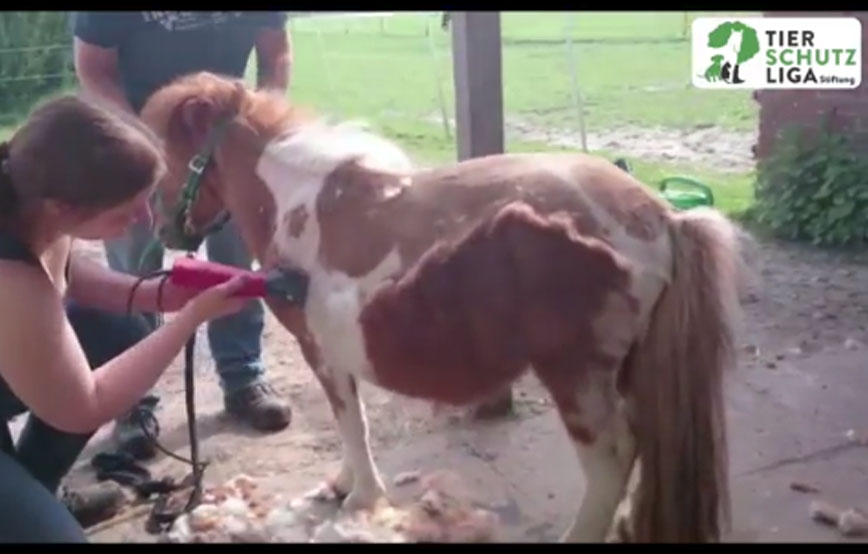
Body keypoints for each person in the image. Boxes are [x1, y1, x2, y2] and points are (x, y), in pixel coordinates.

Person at [0, 94, 253, 541]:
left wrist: (155, 295)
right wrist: (191, 318)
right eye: (127, 209)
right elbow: (83, 406)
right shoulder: (11, 279)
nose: (144, 218)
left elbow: (66, 272)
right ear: (62, 206)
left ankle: (36, 488)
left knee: (120, 327)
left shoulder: (32, 202)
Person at [72, 11, 294, 460]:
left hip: (224, 141)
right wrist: (144, 137)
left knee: (236, 261)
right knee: (135, 272)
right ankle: (133, 405)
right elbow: (93, 68)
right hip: (137, 134)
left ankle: (244, 376)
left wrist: (257, 121)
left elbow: (276, 53)